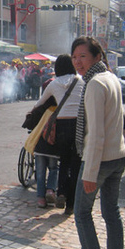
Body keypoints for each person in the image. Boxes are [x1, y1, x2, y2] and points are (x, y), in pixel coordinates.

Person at [64, 37, 125, 249]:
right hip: (117, 156)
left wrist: (89, 172)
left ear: (97, 57)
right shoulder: (110, 78)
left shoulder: (94, 84)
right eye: (74, 56)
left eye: (83, 56)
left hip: (99, 160)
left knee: (81, 213)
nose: (78, 61)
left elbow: (96, 133)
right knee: (111, 212)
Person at [31, 55, 84, 212]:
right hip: (78, 124)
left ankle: (61, 192)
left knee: (64, 161)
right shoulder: (81, 80)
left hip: (61, 125)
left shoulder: (54, 84)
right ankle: (71, 204)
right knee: (75, 163)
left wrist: (31, 114)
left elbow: (39, 103)